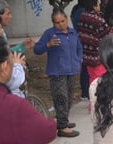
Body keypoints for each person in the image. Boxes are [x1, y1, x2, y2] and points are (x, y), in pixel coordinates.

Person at [0, 35, 57, 144]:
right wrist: (27, 140)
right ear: (4, 66)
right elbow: (47, 130)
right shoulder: (12, 106)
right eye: (11, 60)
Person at [34, 8, 82, 137]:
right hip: (57, 72)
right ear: (53, 23)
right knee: (61, 98)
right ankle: (62, 127)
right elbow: (37, 49)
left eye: (63, 21)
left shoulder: (72, 32)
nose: (61, 24)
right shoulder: (49, 34)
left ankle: (63, 120)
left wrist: (78, 60)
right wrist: (48, 45)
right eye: (57, 22)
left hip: (71, 71)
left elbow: (78, 48)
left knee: (69, 97)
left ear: (66, 19)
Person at [0, 0, 34, 97]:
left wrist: (21, 47)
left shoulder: (2, 33)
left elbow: (5, 52)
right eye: (8, 14)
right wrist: (17, 65)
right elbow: (14, 81)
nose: (10, 17)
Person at [78, 0, 113, 85]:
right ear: (94, 5)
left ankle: (91, 95)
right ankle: (98, 96)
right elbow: (107, 36)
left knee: (92, 76)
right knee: (99, 78)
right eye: (98, 2)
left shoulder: (82, 16)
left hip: (86, 54)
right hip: (98, 55)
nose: (99, 4)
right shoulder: (98, 20)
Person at [69, 0, 90, 99]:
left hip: (79, 38)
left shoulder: (75, 9)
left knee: (85, 67)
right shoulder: (82, 11)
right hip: (83, 40)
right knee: (86, 67)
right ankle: (85, 91)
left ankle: (85, 90)